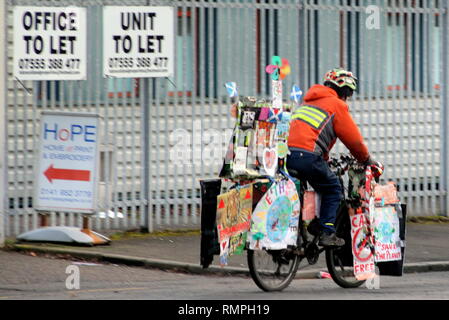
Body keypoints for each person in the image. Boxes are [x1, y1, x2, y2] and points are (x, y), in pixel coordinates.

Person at [287, 68, 379, 247]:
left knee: (312, 185)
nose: (348, 98)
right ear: (343, 91)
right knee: (333, 188)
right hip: (306, 156)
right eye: (348, 93)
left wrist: (325, 158)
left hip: (287, 155)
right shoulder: (336, 105)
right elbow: (354, 141)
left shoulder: (308, 103)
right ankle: (327, 231)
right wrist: (366, 159)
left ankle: (307, 226)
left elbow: (312, 134)